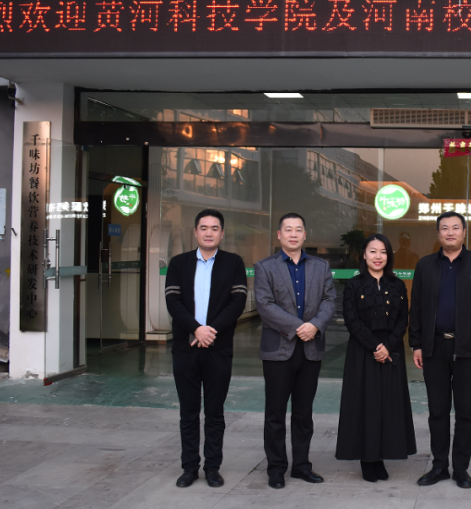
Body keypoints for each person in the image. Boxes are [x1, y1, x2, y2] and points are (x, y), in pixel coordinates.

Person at [409, 211, 471, 489]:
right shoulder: (425, 265)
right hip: (434, 347)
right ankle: (439, 466)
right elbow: (417, 308)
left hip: (467, 348)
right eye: (445, 228)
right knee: (437, 410)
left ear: (464, 232)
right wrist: (416, 344)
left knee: (465, 411)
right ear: (438, 234)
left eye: (455, 228)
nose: (450, 232)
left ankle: (460, 468)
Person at [164, 209, 248, 488]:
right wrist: (196, 329)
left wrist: (210, 331)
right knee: (188, 412)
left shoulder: (233, 263)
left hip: (218, 348)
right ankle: (189, 468)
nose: (209, 233)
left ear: (222, 233)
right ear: (195, 232)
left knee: (214, 412)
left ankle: (212, 467)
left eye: (214, 228)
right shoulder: (179, 263)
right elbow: (173, 302)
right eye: (204, 228)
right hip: (185, 348)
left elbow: (237, 303)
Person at [254, 213, 336, 489]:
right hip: (278, 350)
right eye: (287, 230)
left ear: (304, 235)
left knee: (304, 412)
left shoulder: (321, 266)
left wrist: (315, 325)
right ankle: (276, 468)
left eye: (298, 230)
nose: (293, 234)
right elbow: (265, 305)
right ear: (279, 235)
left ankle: (302, 465)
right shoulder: (265, 267)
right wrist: (299, 327)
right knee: (275, 413)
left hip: (310, 349)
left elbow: (329, 300)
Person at [335, 233, 417, 482]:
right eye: (373, 251)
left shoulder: (397, 284)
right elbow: (351, 320)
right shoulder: (354, 284)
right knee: (365, 405)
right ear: (364, 255)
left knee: (388, 405)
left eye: (383, 251)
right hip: (363, 351)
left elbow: (403, 318)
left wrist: (387, 346)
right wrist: (375, 346)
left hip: (391, 351)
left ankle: (382, 455)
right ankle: (367, 459)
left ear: (388, 255)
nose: (378, 256)